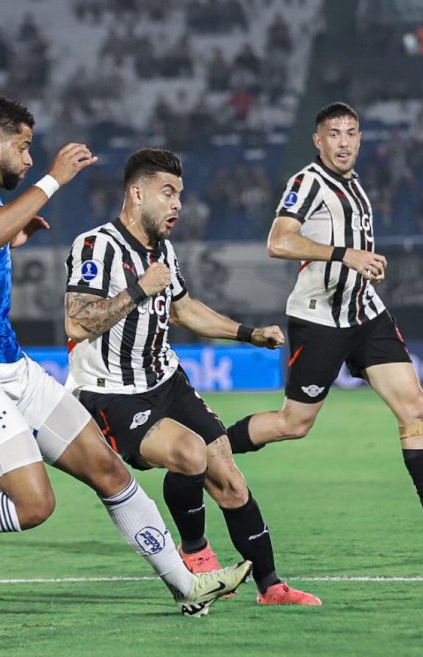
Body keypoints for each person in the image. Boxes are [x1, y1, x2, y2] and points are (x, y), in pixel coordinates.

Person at [0, 96, 249, 617]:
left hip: (11, 365)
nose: (27, 161)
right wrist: (51, 181)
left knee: (109, 470)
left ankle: (189, 586)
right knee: (35, 505)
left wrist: (7, 238)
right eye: (23, 149)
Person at [224, 102, 423, 555]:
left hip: (365, 312)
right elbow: (278, 241)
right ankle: (211, 450)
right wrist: (346, 255)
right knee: (294, 424)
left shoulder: (355, 186)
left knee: (415, 406)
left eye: (351, 132)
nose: (344, 141)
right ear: (318, 140)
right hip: (319, 317)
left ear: (361, 138)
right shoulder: (306, 183)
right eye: (334, 133)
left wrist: (365, 263)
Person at [63, 148, 320, 606]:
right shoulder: (96, 246)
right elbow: (78, 323)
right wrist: (141, 287)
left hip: (166, 378)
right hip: (113, 393)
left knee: (229, 475)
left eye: (180, 193)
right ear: (137, 193)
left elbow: (182, 308)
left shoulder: (163, 250)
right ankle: (195, 552)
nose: (178, 203)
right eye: (168, 193)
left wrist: (247, 334)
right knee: (189, 453)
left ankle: (271, 586)